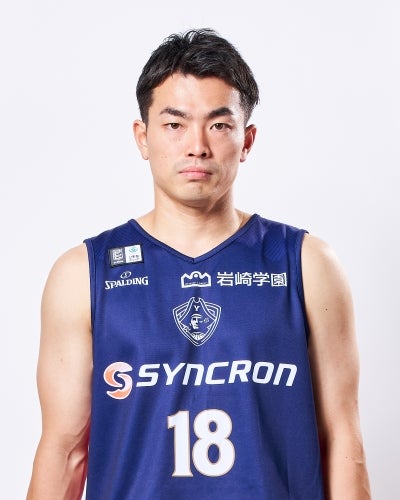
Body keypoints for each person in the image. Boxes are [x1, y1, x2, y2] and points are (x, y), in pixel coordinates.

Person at [27, 28, 371, 499]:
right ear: (142, 137)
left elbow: (342, 439)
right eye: (175, 124)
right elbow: (65, 451)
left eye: (219, 125)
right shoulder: (83, 274)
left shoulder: (307, 264)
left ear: (247, 140)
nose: (197, 146)